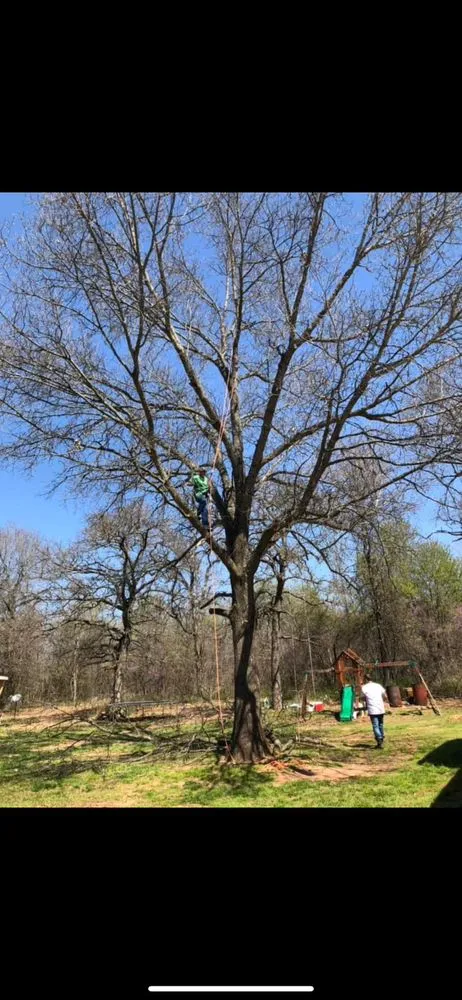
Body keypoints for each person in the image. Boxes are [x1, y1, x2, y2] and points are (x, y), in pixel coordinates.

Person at [361, 673, 388, 748]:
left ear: (365, 679)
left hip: (372, 708)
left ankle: (379, 739)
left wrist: (367, 700)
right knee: (380, 724)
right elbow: (385, 696)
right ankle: (381, 738)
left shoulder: (364, 687)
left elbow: (362, 698)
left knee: (375, 725)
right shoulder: (378, 685)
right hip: (380, 708)